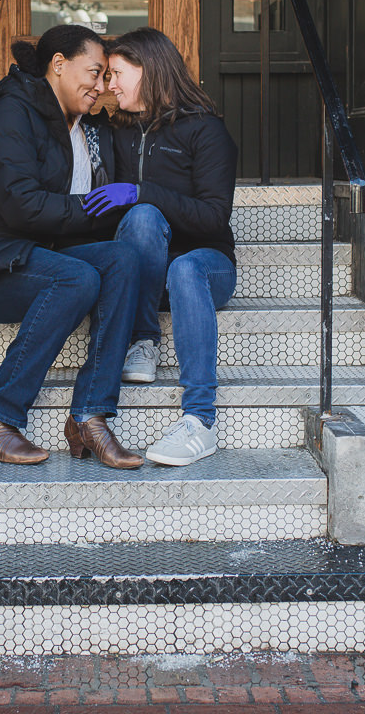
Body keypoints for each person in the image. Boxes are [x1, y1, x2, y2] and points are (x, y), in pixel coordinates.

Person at [0, 24, 143, 469]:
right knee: (78, 275)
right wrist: (94, 209)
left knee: (124, 259)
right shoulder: (9, 115)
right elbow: (22, 207)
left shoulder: (79, 125)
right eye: (94, 72)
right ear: (58, 65)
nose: (101, 86)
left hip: (40, 256)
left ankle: (90, 416)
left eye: (107, 77)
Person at [81, 27, 237, 467]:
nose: (109, 86)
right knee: (142, 218)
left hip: (206, 265)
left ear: (148, 70)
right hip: (145, 272)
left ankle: (200, 421)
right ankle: (142, 339)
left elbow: (212, 217)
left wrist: (141, 190)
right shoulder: (116, 131)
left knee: (183, 263)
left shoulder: (206, 131)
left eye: (115, 74)